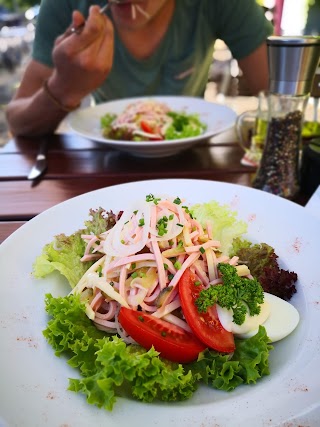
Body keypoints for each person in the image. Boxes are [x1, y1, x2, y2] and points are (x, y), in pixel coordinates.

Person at [6, 0, 273, 137]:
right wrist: (63, 88)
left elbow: (280, 99)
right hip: (97, 171)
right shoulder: (64, 5)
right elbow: (18, 122)